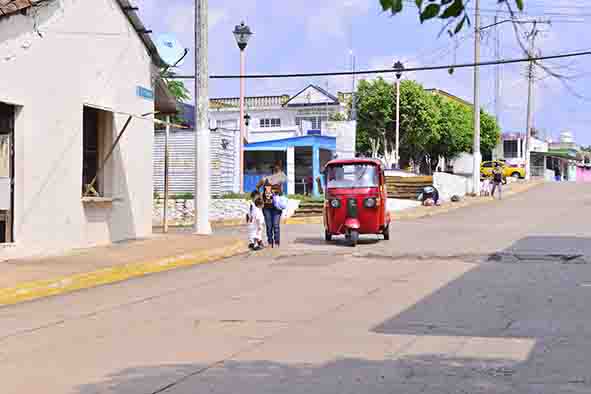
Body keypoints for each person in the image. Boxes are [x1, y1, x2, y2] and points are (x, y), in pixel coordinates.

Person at [256, 161, 287, 248]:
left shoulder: (280, 179)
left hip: (277, 206)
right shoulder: (264, 179)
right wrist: (260, 196)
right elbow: (257, 187)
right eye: (275, 169)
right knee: (269, 226)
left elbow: (283, 181)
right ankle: (270, 242)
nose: (277, 171)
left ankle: (277, 243)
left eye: (278, 169)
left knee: (276, 225)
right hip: (266, 206)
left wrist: (278, 193)